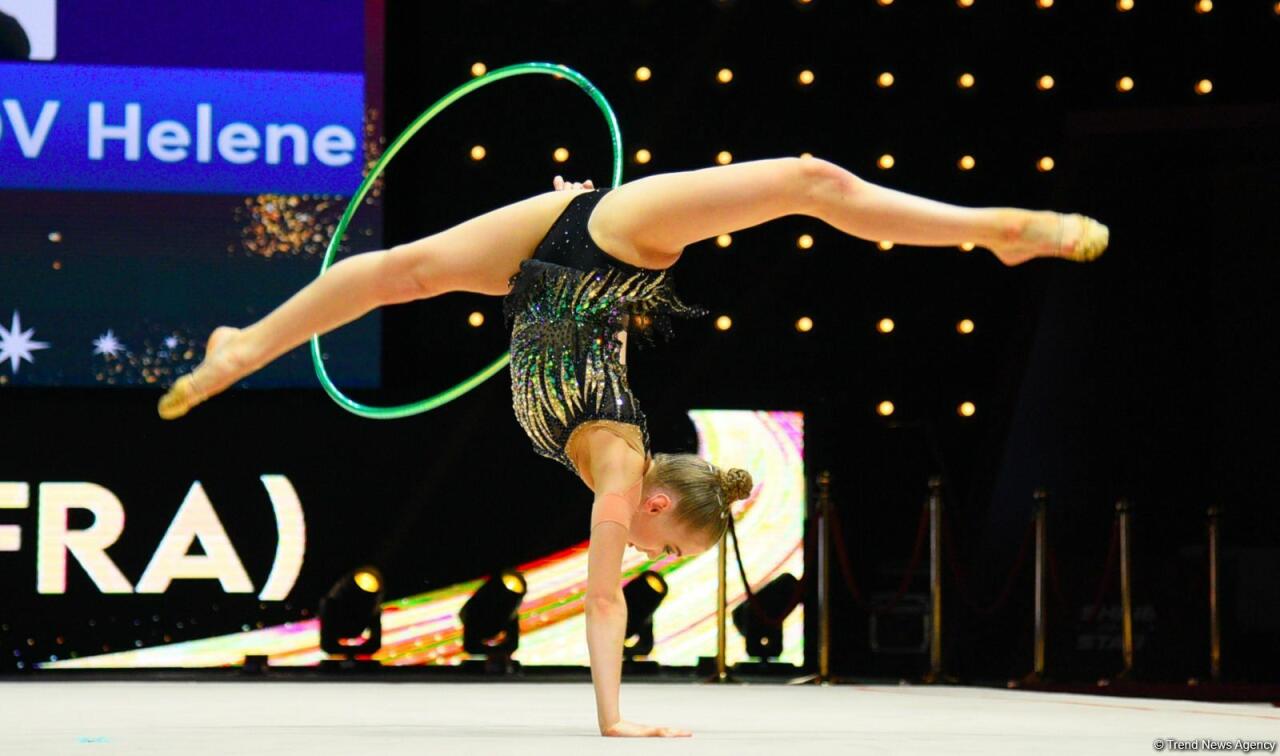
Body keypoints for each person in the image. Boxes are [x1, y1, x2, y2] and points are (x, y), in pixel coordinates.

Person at [157, 156, 1107, 736]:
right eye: (668, 546)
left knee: (396, 274)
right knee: (808, 183)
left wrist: (568, 214)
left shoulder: (620, 450)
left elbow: (593, 353)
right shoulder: (617, 470)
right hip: (608, 245)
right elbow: (603, 598)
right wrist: (612, 719)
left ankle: (244, 346)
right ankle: (995, 232)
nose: (652, 556)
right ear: (656, 503)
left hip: (545, 258)